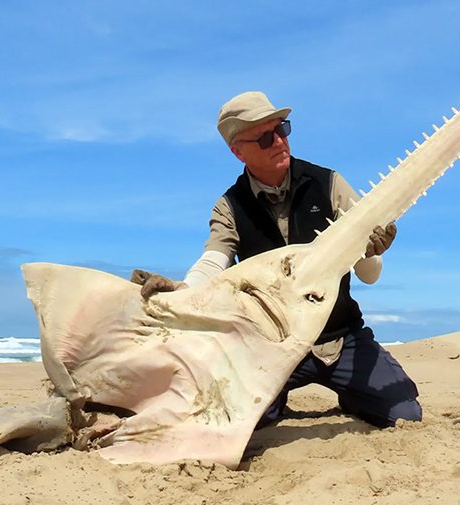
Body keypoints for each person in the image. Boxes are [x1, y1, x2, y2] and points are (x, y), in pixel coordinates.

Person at [134, 91, 422, 429]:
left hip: (340, 337)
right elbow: (214, 259)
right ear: (237, 151)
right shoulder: (230, 206)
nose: (279, 142)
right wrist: (183, 292)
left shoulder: (329, 184)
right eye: (265, 137)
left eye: (282, 129)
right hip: (271, 348)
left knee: (404, 414)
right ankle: (273, 401)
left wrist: (371, 253)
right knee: (241, 422)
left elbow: (370, 275)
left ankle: (352, 393)